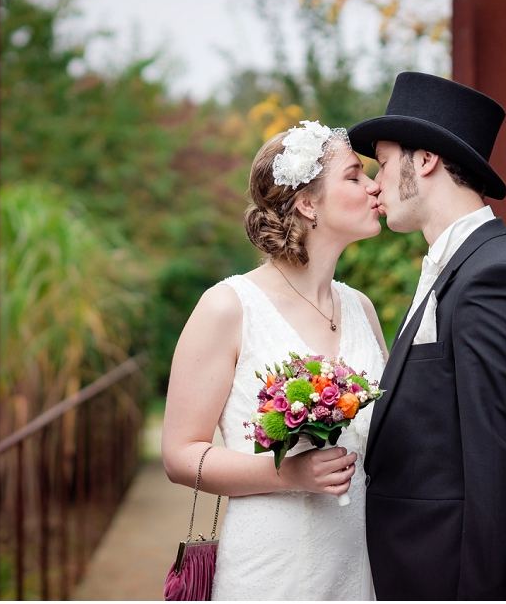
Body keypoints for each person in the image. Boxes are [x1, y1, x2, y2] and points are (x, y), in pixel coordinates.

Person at [348, 72, 506, 599]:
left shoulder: (493, 278)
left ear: (426, 160)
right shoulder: (458, 267)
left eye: (385, 160)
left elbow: (497, 472)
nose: (377, 181)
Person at [161, 121, 388, 600]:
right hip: (270, 569)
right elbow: (180, 454)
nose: (375, 186)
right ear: (307, 203)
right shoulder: (228, 306)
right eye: (354, 176)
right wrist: (290, 473)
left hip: (355, 567)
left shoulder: (361, 308)